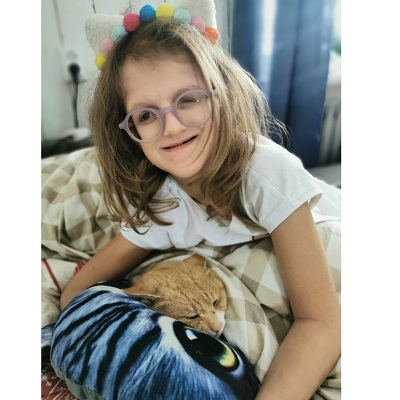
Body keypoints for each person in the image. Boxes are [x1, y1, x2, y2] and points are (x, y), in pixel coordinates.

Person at [60, 10, 341, 400]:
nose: (172, 126)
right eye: (146, 114)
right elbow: (77, 291)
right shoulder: (163, 203)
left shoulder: (267, 174)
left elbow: (321, 323)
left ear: (222, 93)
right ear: (129, 131)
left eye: (188, 99)